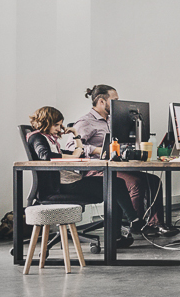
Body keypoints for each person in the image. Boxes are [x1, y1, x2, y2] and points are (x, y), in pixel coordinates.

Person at [25, 106, 139, 240]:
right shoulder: (36, 137)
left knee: (117, 183)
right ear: (45, 122)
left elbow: (79, 152)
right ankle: (131, 224)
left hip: (68, 182)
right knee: (114, 187)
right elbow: (45, 155)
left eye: (60, 125)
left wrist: (75, 133)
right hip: (58, 187)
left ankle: (122, 231)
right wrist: (73, 156)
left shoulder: (50, 139)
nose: (59, 129)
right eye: (56, 125)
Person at [74, 84, 173, 236]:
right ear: (101, 101)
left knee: (154, 181)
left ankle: (155, 223)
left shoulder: (113, 120)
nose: (117, 104)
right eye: (114, 100)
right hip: (97, 170)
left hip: (117, 166)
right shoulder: (85, 122)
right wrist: (100, 150)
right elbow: (72, 147)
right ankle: (136, 224)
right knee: (135, 182)